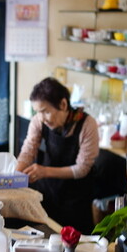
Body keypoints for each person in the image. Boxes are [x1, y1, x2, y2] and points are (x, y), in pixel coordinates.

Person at [16, 77, 99, 234]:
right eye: (38, 112)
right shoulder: (39, 120)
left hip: (75, 199)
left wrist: (44, 171)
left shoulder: (87, 124)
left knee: (74, 242)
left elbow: (82, 168)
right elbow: (28, 151)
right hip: (47, 193)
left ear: (63, 104)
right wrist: (14, 177)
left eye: (46, 111)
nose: (42, 117)